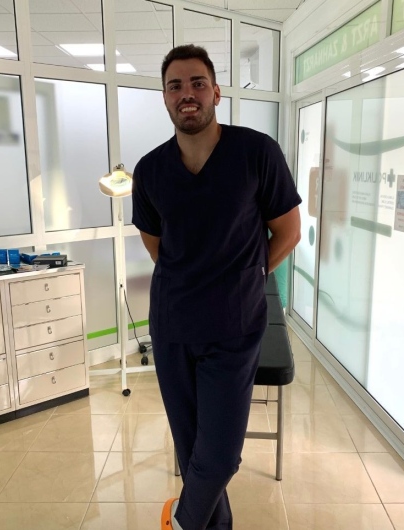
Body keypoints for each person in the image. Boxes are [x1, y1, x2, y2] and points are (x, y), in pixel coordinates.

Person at [132, 44, 302, 530]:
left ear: (216, 93)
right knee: (192, 450)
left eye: (197, 83)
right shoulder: (150, 170)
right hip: (173, 327)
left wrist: (246, 274)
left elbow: (288, 232)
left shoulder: (256, 152)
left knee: (222, 454)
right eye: (175, 86)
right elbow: (156, 246)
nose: (187, 94)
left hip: (234, 325)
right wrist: (197, 277)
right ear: (165, 98)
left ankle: (181, 523)